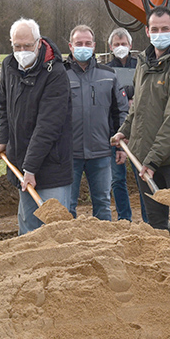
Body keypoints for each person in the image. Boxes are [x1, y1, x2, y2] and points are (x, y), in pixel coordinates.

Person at [110, 6, 170, 247]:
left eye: (165, 29)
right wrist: (126, 129)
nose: (159, 33)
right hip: (145, 157)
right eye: (155, 29)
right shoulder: (143, 65)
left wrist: (153, 160)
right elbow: (138, 108)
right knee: (155, 222)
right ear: (147, 31)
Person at [0, 18, 73, 235]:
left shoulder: (55, 73)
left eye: (27, 46)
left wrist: (31, 168)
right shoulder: (9, 66)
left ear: (38, 42)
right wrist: (3, 140)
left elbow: (49, 125)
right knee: (28, 227)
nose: (22, 50)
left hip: (51, 165)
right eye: (17, 46)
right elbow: (4, 107)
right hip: (23, 166)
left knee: (53, 231)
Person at [64, 24, 127, 220]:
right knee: (68, 206)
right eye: (79, 43)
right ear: (70, 46)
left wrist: (121, 147)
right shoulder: (60, 75)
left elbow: (120, 111)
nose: (83, 46)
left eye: (87, 43)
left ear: (94, 46)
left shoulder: (108, 74)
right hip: (69, 154)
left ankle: (104, 247)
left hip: (101, 152)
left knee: (102, 203)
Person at [106, 27, 149, 224]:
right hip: (116, 129)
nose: (120, 47)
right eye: (117, 44)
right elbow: (111, 97)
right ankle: (124, 218)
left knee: (143, 177)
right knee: (117, 180)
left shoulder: (140, 65)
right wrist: (128, 95)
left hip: (139, 129)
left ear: (130, 46)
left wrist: (125, 93)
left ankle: (149, 219)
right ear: (110, 47)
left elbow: (144, 90)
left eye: (123, 44)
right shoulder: (106, 70)